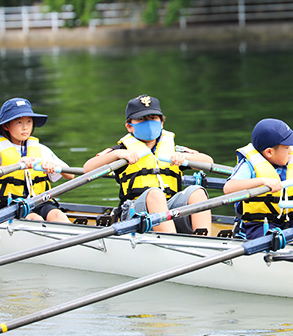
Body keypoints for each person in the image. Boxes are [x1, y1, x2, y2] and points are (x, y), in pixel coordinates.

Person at [82, 94, 212, 234]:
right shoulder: (122, 151)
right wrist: (116, 155)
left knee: (197, 192)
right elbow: (87, 169)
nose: (148, 123)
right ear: (129, 126)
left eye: (153, 118)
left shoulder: (173, 150)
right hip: (135, 212)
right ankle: (171, 241)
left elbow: (208, 162)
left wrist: (184, 157)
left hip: (170, 209)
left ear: (161, 123)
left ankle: (205, 239)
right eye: (141, 119)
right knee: (155, 194)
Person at [223, 118, 293, 245]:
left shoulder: (292, 164)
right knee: (279, 244)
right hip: (257, 225)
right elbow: (229, 188)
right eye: (286, 147)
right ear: (269, 152)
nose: (291, 151)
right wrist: (262, 181)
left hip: (289, 221)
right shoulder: (249, 166)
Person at [0, 97, 72, 223]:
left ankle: (72, 241)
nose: (25, 128)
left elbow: (70, 175)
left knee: (57, 215)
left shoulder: (40, 148)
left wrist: (54, 165)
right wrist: (16, 165)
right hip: (8, 205)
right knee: (34, 218)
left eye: (29, 121)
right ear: (6, 126)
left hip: (39, 201)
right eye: (19, 123)